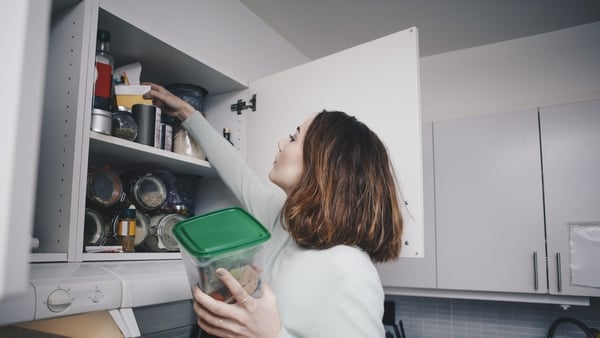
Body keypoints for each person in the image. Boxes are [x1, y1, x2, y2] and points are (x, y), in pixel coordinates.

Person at [144, 83, 404, 338]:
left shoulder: (351, 270)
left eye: (293, 138)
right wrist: (186, 113)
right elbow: (238, 171)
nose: (281, 142)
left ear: (325, 164)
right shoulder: (284, 222)